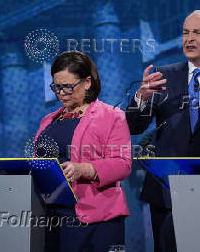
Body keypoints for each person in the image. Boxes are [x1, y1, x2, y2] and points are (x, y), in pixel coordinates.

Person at [126, 10, 200, 252]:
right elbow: (133, 126)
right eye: (185, 33)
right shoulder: (163, 77)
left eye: (197, 33)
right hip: (166, 192)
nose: (189, 39)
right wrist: (140, 97)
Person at [34, 51, 131, 252]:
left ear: (87, 82)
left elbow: (123, 164)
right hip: (51, 217)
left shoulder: (112, 116)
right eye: (56, 87)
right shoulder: (48, 120)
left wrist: (84, 169)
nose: (61, 93)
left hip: (97, 220)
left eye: (68, 86)